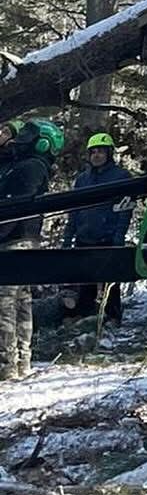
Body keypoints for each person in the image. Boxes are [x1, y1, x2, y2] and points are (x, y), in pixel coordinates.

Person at [0, 119, 63, 380]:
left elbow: (14, 209)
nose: (20, 138)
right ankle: (19, 362)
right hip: (17, 239)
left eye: (28, 134)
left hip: (15, 240)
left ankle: (7, 365)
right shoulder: (18, 164)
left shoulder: (31, 168)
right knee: (20, 303)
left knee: (5, 305)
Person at [62, 132, 134, 326]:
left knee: (110, 280)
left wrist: (119, 236)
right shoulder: (83, 180)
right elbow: (74, 210)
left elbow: (125, 211)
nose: (96, 155)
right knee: (85, 278)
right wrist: (68, 237)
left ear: (109, 153)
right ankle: (86, 314)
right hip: (84, 237)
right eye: (93, 152)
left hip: (108, 237)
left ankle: (113, 315)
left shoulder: (121, 177)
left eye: (101, 151)